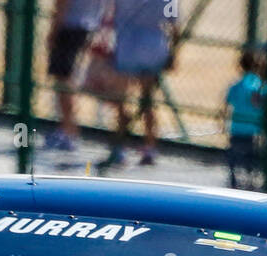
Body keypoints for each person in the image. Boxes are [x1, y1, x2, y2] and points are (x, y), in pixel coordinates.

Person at [104, 0, 179, 167]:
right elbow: (174, 24)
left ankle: (120, 146)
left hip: (126, 47)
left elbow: (111, 13)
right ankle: (149, 147)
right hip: (153, 48)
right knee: (147, 101)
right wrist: (173, 53)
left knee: (121, 98)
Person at [45, 0, 106, 151]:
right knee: (70, 79)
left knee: (64, 80)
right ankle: (67, 128)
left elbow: (61, 5)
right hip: (91, 27)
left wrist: (53, 31)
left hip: (70, 27)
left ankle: (68, 131)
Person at [223, 46, 267, 189]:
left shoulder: (236, 85)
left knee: (235, 155)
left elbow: (227, 104)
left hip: (237, 127)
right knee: (251, 156)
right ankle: (250, 180)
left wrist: (223, 123)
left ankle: (234, 179)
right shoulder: (261, 85)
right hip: (254, 128)